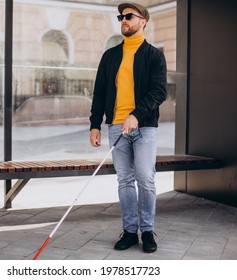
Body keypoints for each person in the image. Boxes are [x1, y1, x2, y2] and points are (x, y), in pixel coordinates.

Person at [89, 2, 167, 253]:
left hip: (143, 127)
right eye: (120, 16)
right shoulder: (110, 56)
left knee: (145, 179)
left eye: (128, 16)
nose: (123, 20)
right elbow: (99, 92)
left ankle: (148, 230)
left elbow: (159, 92)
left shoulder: (154, 55)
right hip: (115, 127)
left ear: (142, 21)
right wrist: (94, 125)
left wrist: (136, 114)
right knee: (124, 180)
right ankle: (130, 231)